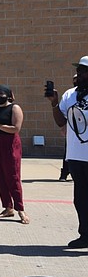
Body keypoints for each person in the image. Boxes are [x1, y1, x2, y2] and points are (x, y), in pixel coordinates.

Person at [48, 57, 88, 245]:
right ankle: (85, 235)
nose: (79, 73)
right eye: (78, 70)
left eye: (83, 70)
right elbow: (61, 122)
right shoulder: (70, 94)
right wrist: (55, 103)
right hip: (75, 155)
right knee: (80, 199)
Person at [0, 84, 28, 224]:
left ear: (8, 95)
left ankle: (20, 209)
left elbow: (16, 128)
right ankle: (7, 207)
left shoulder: (14, 108)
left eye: (1, 93)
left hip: (10, 144)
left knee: (13, 176)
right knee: (0, 176)